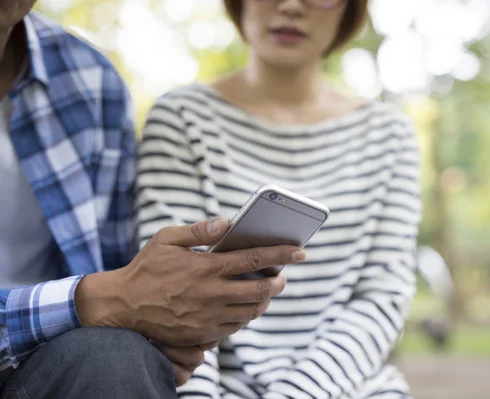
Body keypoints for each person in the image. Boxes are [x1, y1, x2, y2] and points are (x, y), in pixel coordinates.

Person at [0, 3, 301, 398]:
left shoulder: (86, 79)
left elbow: (118, 283)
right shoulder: (183, 119)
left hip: (41, 368)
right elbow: (110, 295)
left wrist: (161, 329)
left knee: (117, 356)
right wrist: (93, 300)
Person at [136, 0, 422, 397]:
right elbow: (167, 289)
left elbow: (382, 298)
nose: (291, 5)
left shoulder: (389, 136)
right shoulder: (182, 117)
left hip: (352, 386)